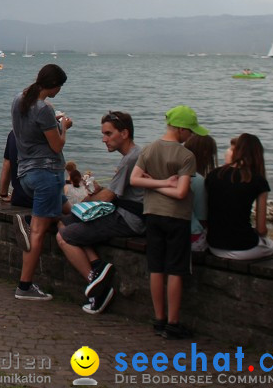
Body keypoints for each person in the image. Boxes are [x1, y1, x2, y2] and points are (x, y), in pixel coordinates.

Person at [56, 110, 146, 315]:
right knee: (64, 221)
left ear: (124, 133)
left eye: (108, 134)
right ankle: (97, 264)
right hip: (124, 213)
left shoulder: (131, 159)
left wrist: (86, 201)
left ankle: (97, 284)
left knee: (64, 236)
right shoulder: (134, 155)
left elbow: (108, 197)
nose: (104, 139)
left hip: (128, 219)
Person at [130, 105, 201, 339]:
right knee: (175, 270)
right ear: (180, 129)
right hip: (177, 217)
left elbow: (135, 179)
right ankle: (173, 323)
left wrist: (158, 183)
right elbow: (181, 193)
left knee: (156, 268)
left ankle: (158, 319)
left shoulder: (150, 149)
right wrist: (167, 184)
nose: (191, 136)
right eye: (190, 131)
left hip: (152, 215)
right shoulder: (186, 156)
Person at [10, 63, 70, 301]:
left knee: (65, 210)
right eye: (59, 87)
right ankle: (24, 287)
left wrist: (51, 117)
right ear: (54, 85)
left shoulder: (19, 99)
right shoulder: (43, 109)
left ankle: (30, 219)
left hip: (25, 175)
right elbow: (57, 146)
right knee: (38, 232)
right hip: (47, 174)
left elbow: (31, 124)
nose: (59, 91)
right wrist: (63, 126)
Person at [205, 133, 273, 260]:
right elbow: (261, 229)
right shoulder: (258, 180)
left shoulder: (213, 175)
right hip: (242, 246)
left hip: (214, 245)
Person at [184, 134, 218, 252]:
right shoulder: (198, 180)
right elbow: (202, 219)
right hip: (191, 237)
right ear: (205, 153)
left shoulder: (175, 171)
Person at [0, 131, 32, 208]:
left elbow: (7, 165)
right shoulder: (46, 132)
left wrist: (4, 194)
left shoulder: (13, 134)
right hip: (42, 200)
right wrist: (62, 130)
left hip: (19, 198)